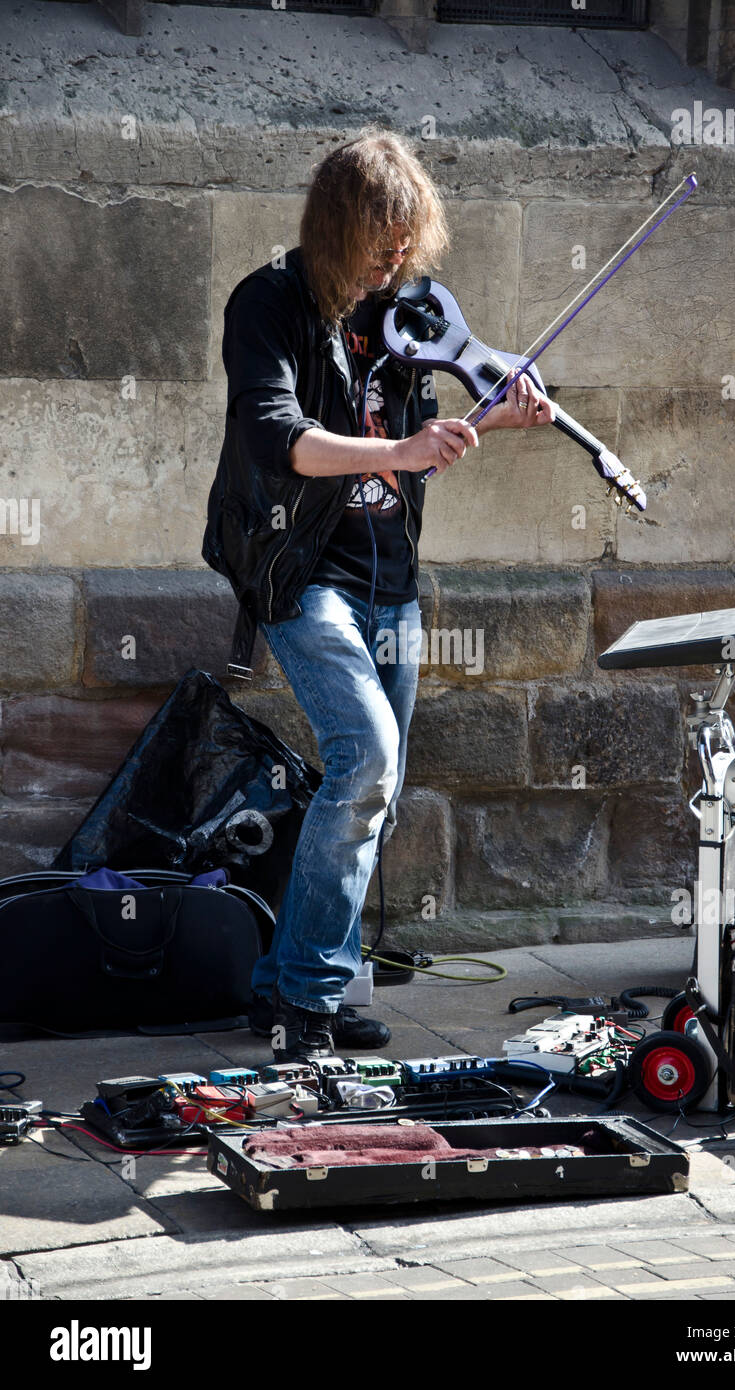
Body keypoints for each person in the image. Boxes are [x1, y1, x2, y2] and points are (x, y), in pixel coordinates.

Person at [203, 129, 553, 1061]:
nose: (395, 262)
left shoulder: (406, 313)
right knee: (365, 759)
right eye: (377, 243)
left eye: (407, 244)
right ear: (334, 228)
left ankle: (283, 984)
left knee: (376, 789)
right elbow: (281, 438)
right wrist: (399, 451)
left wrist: (493, 412)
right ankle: (313, 1000)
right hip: (298, 571)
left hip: (388, 578)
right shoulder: (268, 303)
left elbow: (424, 430)